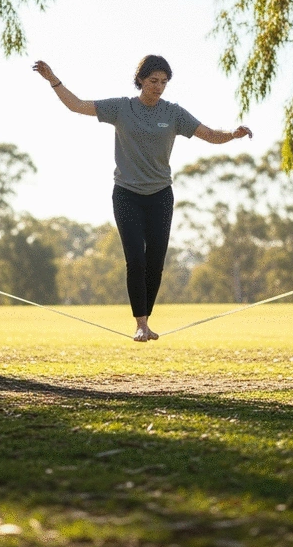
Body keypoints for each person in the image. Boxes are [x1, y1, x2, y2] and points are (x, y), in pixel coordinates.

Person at [33, 55, 253, 342]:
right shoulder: (121, 108)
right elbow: (76, 105)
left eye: (163, 82)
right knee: (135, 260)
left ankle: (146, 321)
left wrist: (232, 135)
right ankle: (141, 323)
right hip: (126, 194)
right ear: (140, 80)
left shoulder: (173, 113)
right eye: (153, 81)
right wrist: (54, 80)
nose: (158, 87)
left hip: (160, 195)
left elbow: (209, 134)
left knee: (156, 261)